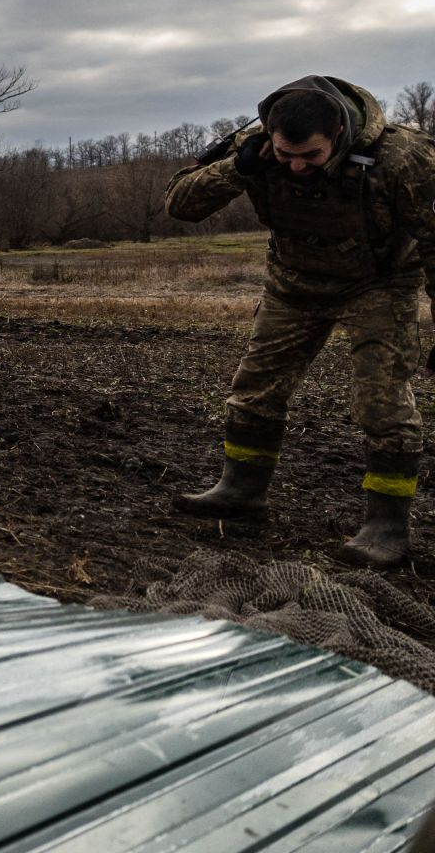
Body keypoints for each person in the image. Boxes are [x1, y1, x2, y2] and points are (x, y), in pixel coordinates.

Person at [165, 75, 435, 567]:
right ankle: (241, 490)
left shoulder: (403, 158)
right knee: (255, 388)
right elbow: (179, 204)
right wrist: (238, 169)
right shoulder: (255, 149)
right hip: (294, 282)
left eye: (309, 157)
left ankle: (387, 525)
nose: (294, 166)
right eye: (285, 154)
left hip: (379, 283)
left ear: (338, 135)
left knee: (381, 403)